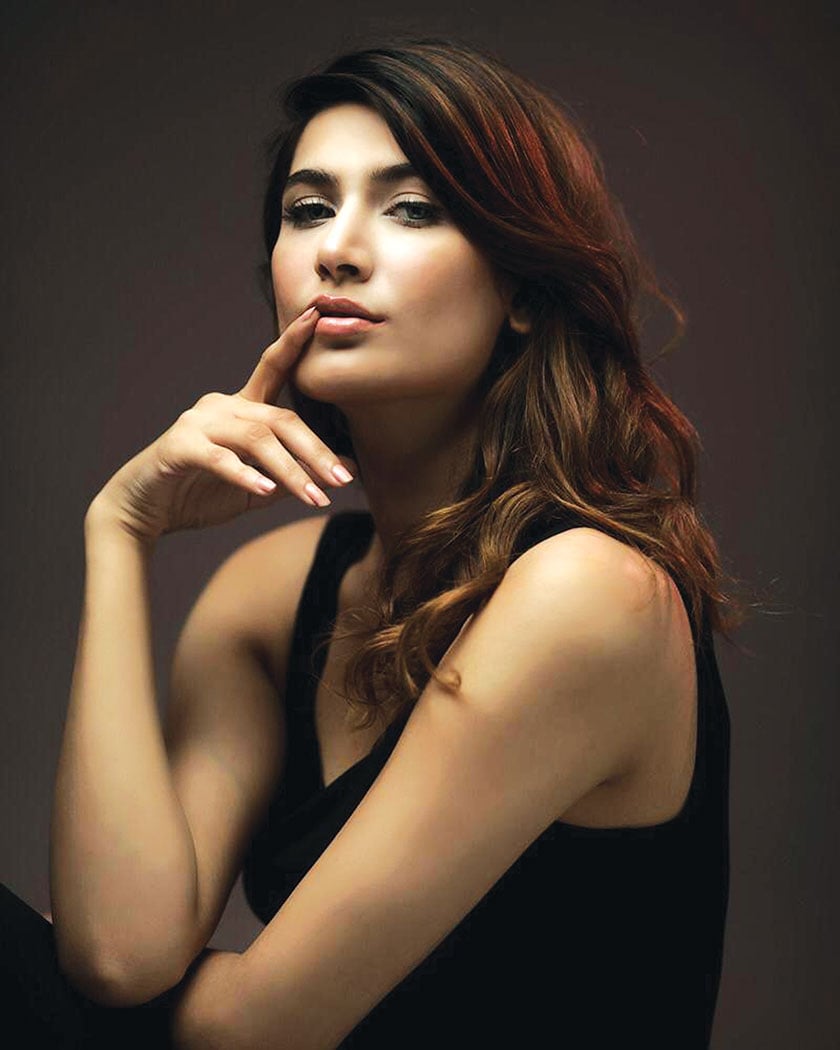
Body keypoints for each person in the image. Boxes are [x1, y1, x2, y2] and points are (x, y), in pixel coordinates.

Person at [0, 35, 743, 1049]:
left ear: (524, 290)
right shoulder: (269, 597)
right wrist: (119, 532)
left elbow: (250, 1036)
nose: (338, 251)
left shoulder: (587, 593)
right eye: (309, 209)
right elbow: (123, 955)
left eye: (412, 209)